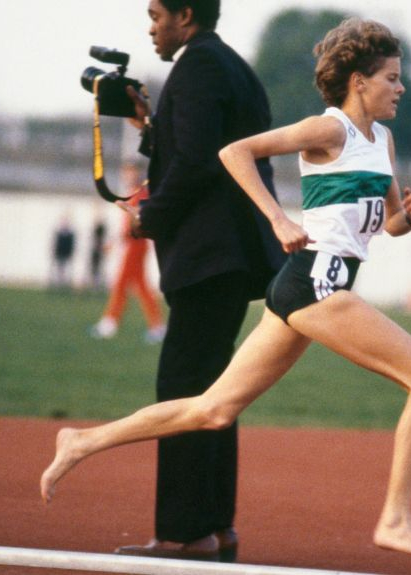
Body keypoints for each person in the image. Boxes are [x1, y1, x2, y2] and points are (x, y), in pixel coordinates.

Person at [42, 17, 411, 558]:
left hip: (308, 288)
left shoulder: (384, 141)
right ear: (359, 80)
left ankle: (82, 441)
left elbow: (388, 223)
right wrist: (278, 220)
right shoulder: (327, 129)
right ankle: (395, 519)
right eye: (391, 78)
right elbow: (234, 152)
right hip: (316, 284)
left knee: (212, 409)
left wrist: (410, 218)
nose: (400, 88)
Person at [98, 0, 285, 562]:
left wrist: (148, 215)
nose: (150, 25)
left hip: (210, 255)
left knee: (183, 390)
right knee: (213, 394)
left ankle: (183, 536)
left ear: (185, 14)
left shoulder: (198, 66)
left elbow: (201, 161)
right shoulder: (228, 64)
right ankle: (215, 529)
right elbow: (203, 147)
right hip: (229, 255)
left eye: (156, 13)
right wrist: (148, 125)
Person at [90, 162, 166, 344]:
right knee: (141, 286)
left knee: (121, 283)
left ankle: (110, 322)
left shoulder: (139, 193)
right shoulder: (135, 192)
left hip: (135, 244)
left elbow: (134, 222)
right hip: (133, 243)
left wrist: (114, 242)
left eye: (130, 172)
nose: (127, 175)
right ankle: (157, 326)